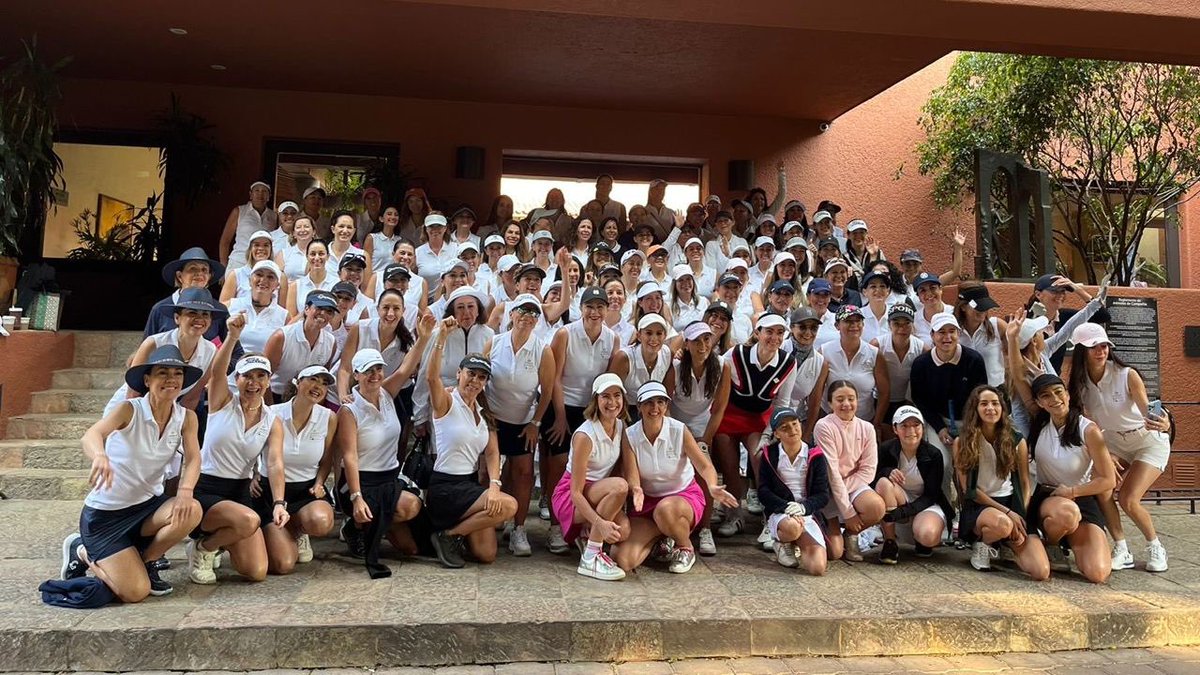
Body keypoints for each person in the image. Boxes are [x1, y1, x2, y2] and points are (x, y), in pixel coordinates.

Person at [60, 346, 204, 600]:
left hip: (146, 507)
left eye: (177, 373)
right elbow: (92, 435)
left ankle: (146, 561)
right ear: (147, 380)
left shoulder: (186, 417)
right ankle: (82, 550)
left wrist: (184, 491)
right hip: (105, 517)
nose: (171, 379)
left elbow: (194, 459)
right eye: (163, 372)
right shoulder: (130, 409)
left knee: (190, 509)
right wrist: (100, 456)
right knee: (134, 593)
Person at [1066, 323, 1170, 573]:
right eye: (1093, 347)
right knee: (1102, 487)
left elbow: (1147, 409)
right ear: (1081, 350)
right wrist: (1104, 452)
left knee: (1128, 499)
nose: (1101, 351)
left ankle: (1155, 545)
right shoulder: (1079, 383)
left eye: (1104, 346)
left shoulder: (1127, 374)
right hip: (1113, 442)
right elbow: (1086, 423)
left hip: (1147, 441)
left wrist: (1163, 421)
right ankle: (1122, 548)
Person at [186, 320, 284, 586]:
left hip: (239, 492)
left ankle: (219, 541)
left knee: (256, 571)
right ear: (237, 379)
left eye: (260, 376)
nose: (254, 383)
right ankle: (203, 549)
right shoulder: (222, 401)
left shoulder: (272, 419)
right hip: (206, 488)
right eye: (247, 376)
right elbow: (217, 372)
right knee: (249, 520)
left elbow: (274, 463)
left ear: (268, 380)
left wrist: (279, 503)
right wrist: (232, 337)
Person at [615, 382, 736, 574]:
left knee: (665, 510)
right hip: (646, 503)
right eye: (649, 402)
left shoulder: (679, 429)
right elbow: (632, 474)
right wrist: (636, 489)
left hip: (682, 498)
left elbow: (704, 465)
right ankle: (662, 534)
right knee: (624, 560)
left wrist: (712, 485)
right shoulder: (630, 435)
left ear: (666, 405)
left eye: (660, 402)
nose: (655, 408)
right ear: (638, 407)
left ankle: (685, 547)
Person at [336, 336, 432, 576]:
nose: (375, 375)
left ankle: (368, 526)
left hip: (389, 478)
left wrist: (425, 336)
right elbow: (349, 457)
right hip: (361, 481)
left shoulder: (387, 392)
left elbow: (407, 367)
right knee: (408, 506)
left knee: (410, 549)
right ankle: (358, 523)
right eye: (368, 371)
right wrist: (357, 497)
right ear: (356, 375)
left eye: (378, 369)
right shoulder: (349, 410)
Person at [425, 337, 518, 568]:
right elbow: (431, 377)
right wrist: (440, 338)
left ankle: (453, 534)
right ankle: (447, 536)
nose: (475, 380)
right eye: (471, 374)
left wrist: (494, 486)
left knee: (486, 554)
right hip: (445, 488)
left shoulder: (484, 413)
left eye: (481, 377)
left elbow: (493, 453)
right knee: (509, 506)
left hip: (469, 485)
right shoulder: (447, 402)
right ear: (459, 373)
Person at [545, 286, 620, 552]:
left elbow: (609, 380)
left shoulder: (612, 339)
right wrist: (561, 417)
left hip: (592, 408)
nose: (595, 312)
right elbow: (554, 376)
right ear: (581, 308)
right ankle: (556, 525)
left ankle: (584, 527)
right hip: (563, 405)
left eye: (600, 307)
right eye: (590, 306)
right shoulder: (565, 333)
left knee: (591, 470)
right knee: (558, 467)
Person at [483, 294, 557, 556]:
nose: (527, 317)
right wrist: (486, 413)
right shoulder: (494, 342)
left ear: (538, 321)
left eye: (533, 313)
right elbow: (480, 377)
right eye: (522, 312)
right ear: (511, 315)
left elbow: (547, 390)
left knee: (523, 473)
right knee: (486, 472)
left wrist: (535, 422)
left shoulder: (542, 350)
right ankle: (487, 520)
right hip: (493, 419)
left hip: (523, 421)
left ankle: (519, 529)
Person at [713, 313, 798, 538]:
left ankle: (770, 519)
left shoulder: (788, 362)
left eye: (780, 333)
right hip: (730, 414)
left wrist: (769, 434)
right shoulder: (736, 354)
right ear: (757, 333)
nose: (774, 337)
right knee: (729, 464)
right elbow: (718, 390)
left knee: (760, 459)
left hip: (760, 418)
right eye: (769, 332)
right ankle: (734, 514)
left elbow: (782, 403)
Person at [1027, 374, 1115, 584]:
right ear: (1039, 403)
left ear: (1067, 394)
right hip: (1050, 497)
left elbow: (1108, 480)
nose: (1054, 399)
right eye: (1046, 396)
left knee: (1098, 574)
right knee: (1066, 514)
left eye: (1058, 392)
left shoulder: (1089, 430)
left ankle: (1070, 538)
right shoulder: (1039, 424)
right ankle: (1052, 544)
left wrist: (1073, 492)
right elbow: (1020, 377)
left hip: (1080, 497)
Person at [953, 385, 1048, 578]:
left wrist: (1020, 513)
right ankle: (983, 544)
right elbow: (969, 490)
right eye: (984, 404)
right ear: (975, 409)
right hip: (981, 506)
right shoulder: (962, 442)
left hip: (1011, 503)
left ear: (1003, 408)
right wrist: (1008, 514)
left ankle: (1005, 543)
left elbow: (1024, 482)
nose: (990, 408)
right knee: (1003, 524)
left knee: (1040, 571)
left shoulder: (1016, 441)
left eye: (995, 403)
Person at [258, 365, 338, 574]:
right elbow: (250, 448)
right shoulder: (272, 413)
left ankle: (298, 530)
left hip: (305, 490)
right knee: (283, 565)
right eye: (313, 379)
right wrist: (252, 475)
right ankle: (272, 532)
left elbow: (328, 457)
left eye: (324, 383)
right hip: (272, 491)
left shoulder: (328, 417)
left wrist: (320, 482)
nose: (318, 387)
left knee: (321, 521)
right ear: (297, 382)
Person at [552, 374, 631, 581]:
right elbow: (575, 492)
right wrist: (600, 523)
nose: (612, 402)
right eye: (605, 396)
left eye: (617, 396)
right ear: (596, 399)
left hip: (599, 491)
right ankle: (591, 556)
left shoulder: (621, 426)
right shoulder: (584, 435)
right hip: (569, 498)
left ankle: (586, 535)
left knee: (623, 532)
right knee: (620, 487)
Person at [108, 288, 223, 417]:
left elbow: (191, 399)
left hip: (167, 413)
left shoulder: (211, 351)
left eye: (205, 314)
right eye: (192, 313)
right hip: (129, 409)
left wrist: (176, 426)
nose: (199, 319)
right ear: (177, 318)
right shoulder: (153, 343)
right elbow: (133, 394)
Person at [909, 313, 989, 482]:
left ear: (958, 334)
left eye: (952, 331)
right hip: (937, 421)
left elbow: (980, 396)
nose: (947, 337)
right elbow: (920, 399)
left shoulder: (973, 360)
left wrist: (970, 427)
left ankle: (973, 504)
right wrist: (939, 428)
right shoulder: (921, 364)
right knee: (942, 464)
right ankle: (945, 507)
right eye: (941, 332)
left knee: (975, 464)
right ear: (932, 335)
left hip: (970, 422)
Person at [813, 381, 886, 561]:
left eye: (851, 399)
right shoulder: (823, 426)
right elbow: (832, 473)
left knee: (876, 507)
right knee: (834, 553)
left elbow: (868, 471)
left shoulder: (867, 428)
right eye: (840, 399)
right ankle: (825, 521)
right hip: (828, 489)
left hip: (853, 485)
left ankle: (851, 534)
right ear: (830, 403)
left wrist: (845, 491)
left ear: (857, 401)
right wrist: (848, 513)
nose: (846, 404)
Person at [872, 406, 954, 565]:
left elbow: (931, 495)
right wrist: (887, 471)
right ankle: (890, 542)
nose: (911, 430)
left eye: (916, 425)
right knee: (883, 483)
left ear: (922, 428)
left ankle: (921, 539)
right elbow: (873, 480)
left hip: (926, 503)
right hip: (900, 498)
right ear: (895, 429)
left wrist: (903, 512)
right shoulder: (886, 449)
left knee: (928, 536)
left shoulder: (933, 454)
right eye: (904, 426)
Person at [757, 408, 830, 575]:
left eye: (795, 424)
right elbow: (763, 491)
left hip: (807, 513)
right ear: (776, 434)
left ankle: (796, 543)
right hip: (782, 513)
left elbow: (822, 494)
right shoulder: (770, 455)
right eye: (784, 428)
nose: (792, 430)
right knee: (792, 527)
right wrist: (785, 507)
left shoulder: (815, 455)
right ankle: (782, 543)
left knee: (817, 568)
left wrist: (804, 508)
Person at [807, 305, 889, 435]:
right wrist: (811, 426)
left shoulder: (874, 354)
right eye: (848, 321)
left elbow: (884, 392)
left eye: (858, 321)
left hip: (864, 423)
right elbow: (816, 393)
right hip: (830, 423)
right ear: (837, 325)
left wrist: (876, 423)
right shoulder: (825, 351)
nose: (854, 325)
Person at [1026, 274, 1112, 373]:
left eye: (1063, 291)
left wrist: (1077, 289)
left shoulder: (1066, 316)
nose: (1060, 295)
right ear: (1038, 294)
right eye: (1054, 291)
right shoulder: (1026, 322)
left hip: (1052, 383)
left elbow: (1102, 316)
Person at [225, 261, 289, 392]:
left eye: (270, 277)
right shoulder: (230, 306)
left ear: (277, 285)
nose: (263, 280)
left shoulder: (284, 316)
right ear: (249, 280)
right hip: (227, 384)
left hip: (257, 387)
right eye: (259, 274)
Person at [264, 290, 338, 400]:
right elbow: (264, 377)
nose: (323, 313)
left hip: (308, 399)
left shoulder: (331, 342)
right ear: (307, 309)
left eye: (329, 311)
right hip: (275, 395)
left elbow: (322, 381)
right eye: (319, 308)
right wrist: (270, 408)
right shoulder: (281, 337)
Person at [871, 303, 926, 434]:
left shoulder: (921, 348)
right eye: (897, 323)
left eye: (906, 323)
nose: (902, 328)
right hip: (877, 400)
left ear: (913, 325)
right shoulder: (877, 345)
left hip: (905, 402)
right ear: (889, 324)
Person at [610, 313, 675, 419]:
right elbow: (612, 394)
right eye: (649, 333)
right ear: (639, 336)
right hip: (626, 410)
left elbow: (668, 396)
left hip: (655, 408)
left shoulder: (668, 354)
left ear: (665, 336)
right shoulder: (624, 358)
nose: (654, 338)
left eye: (659, 333)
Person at [955, 282, 1006, 387]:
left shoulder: (998, 326)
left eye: (985, 305)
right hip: (965, 395)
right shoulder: (952, 331)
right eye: (978, 307)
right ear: (963, 307)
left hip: (995, 392)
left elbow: (1016, 355)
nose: (983, 310)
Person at [219, 181, 277, 271]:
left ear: (269, 196)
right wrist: (223, 267)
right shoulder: (239, 211)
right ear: (250, 194)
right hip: (238, 262)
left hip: (262, 265)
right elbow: (225, 241)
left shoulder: (273, 216)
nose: (260, 194)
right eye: (257, 190)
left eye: (264, 191)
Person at [219, 230, 277, 306]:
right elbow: (223, 306)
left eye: (266, 245)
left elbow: (283, 310)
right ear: (250, 249)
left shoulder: (280, 276)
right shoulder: (235, 274)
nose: (261, 248)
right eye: (256, 245)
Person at [285, 239, 336, 318]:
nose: (316, 257)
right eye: (313, 254)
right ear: (307, 257)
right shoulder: (295, 286)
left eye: (321, 254)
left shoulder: (336, 284)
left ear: (328, 256)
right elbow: (290, 322)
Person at [415, 213, 459, 292]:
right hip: (427, 300)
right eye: (431, 226)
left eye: (439, 226)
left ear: (445, 228)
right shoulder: (417, 252)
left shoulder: (456, 248)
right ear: (426, 229)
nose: (435, 229)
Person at [275, 215, 318, 283]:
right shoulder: (283, 254)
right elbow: (276, 279)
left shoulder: (322, 254)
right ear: (293, 233)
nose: (302, 230)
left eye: (306, 226)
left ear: (314, 232)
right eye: (298, 227)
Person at [364, 203, 402, 275]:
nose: (393, 217)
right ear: (381, 219)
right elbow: (366, 265)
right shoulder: (372, 238)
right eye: (389, 214)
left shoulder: (399, 240)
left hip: (394, 281)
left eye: (396, 215)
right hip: (375, 281)